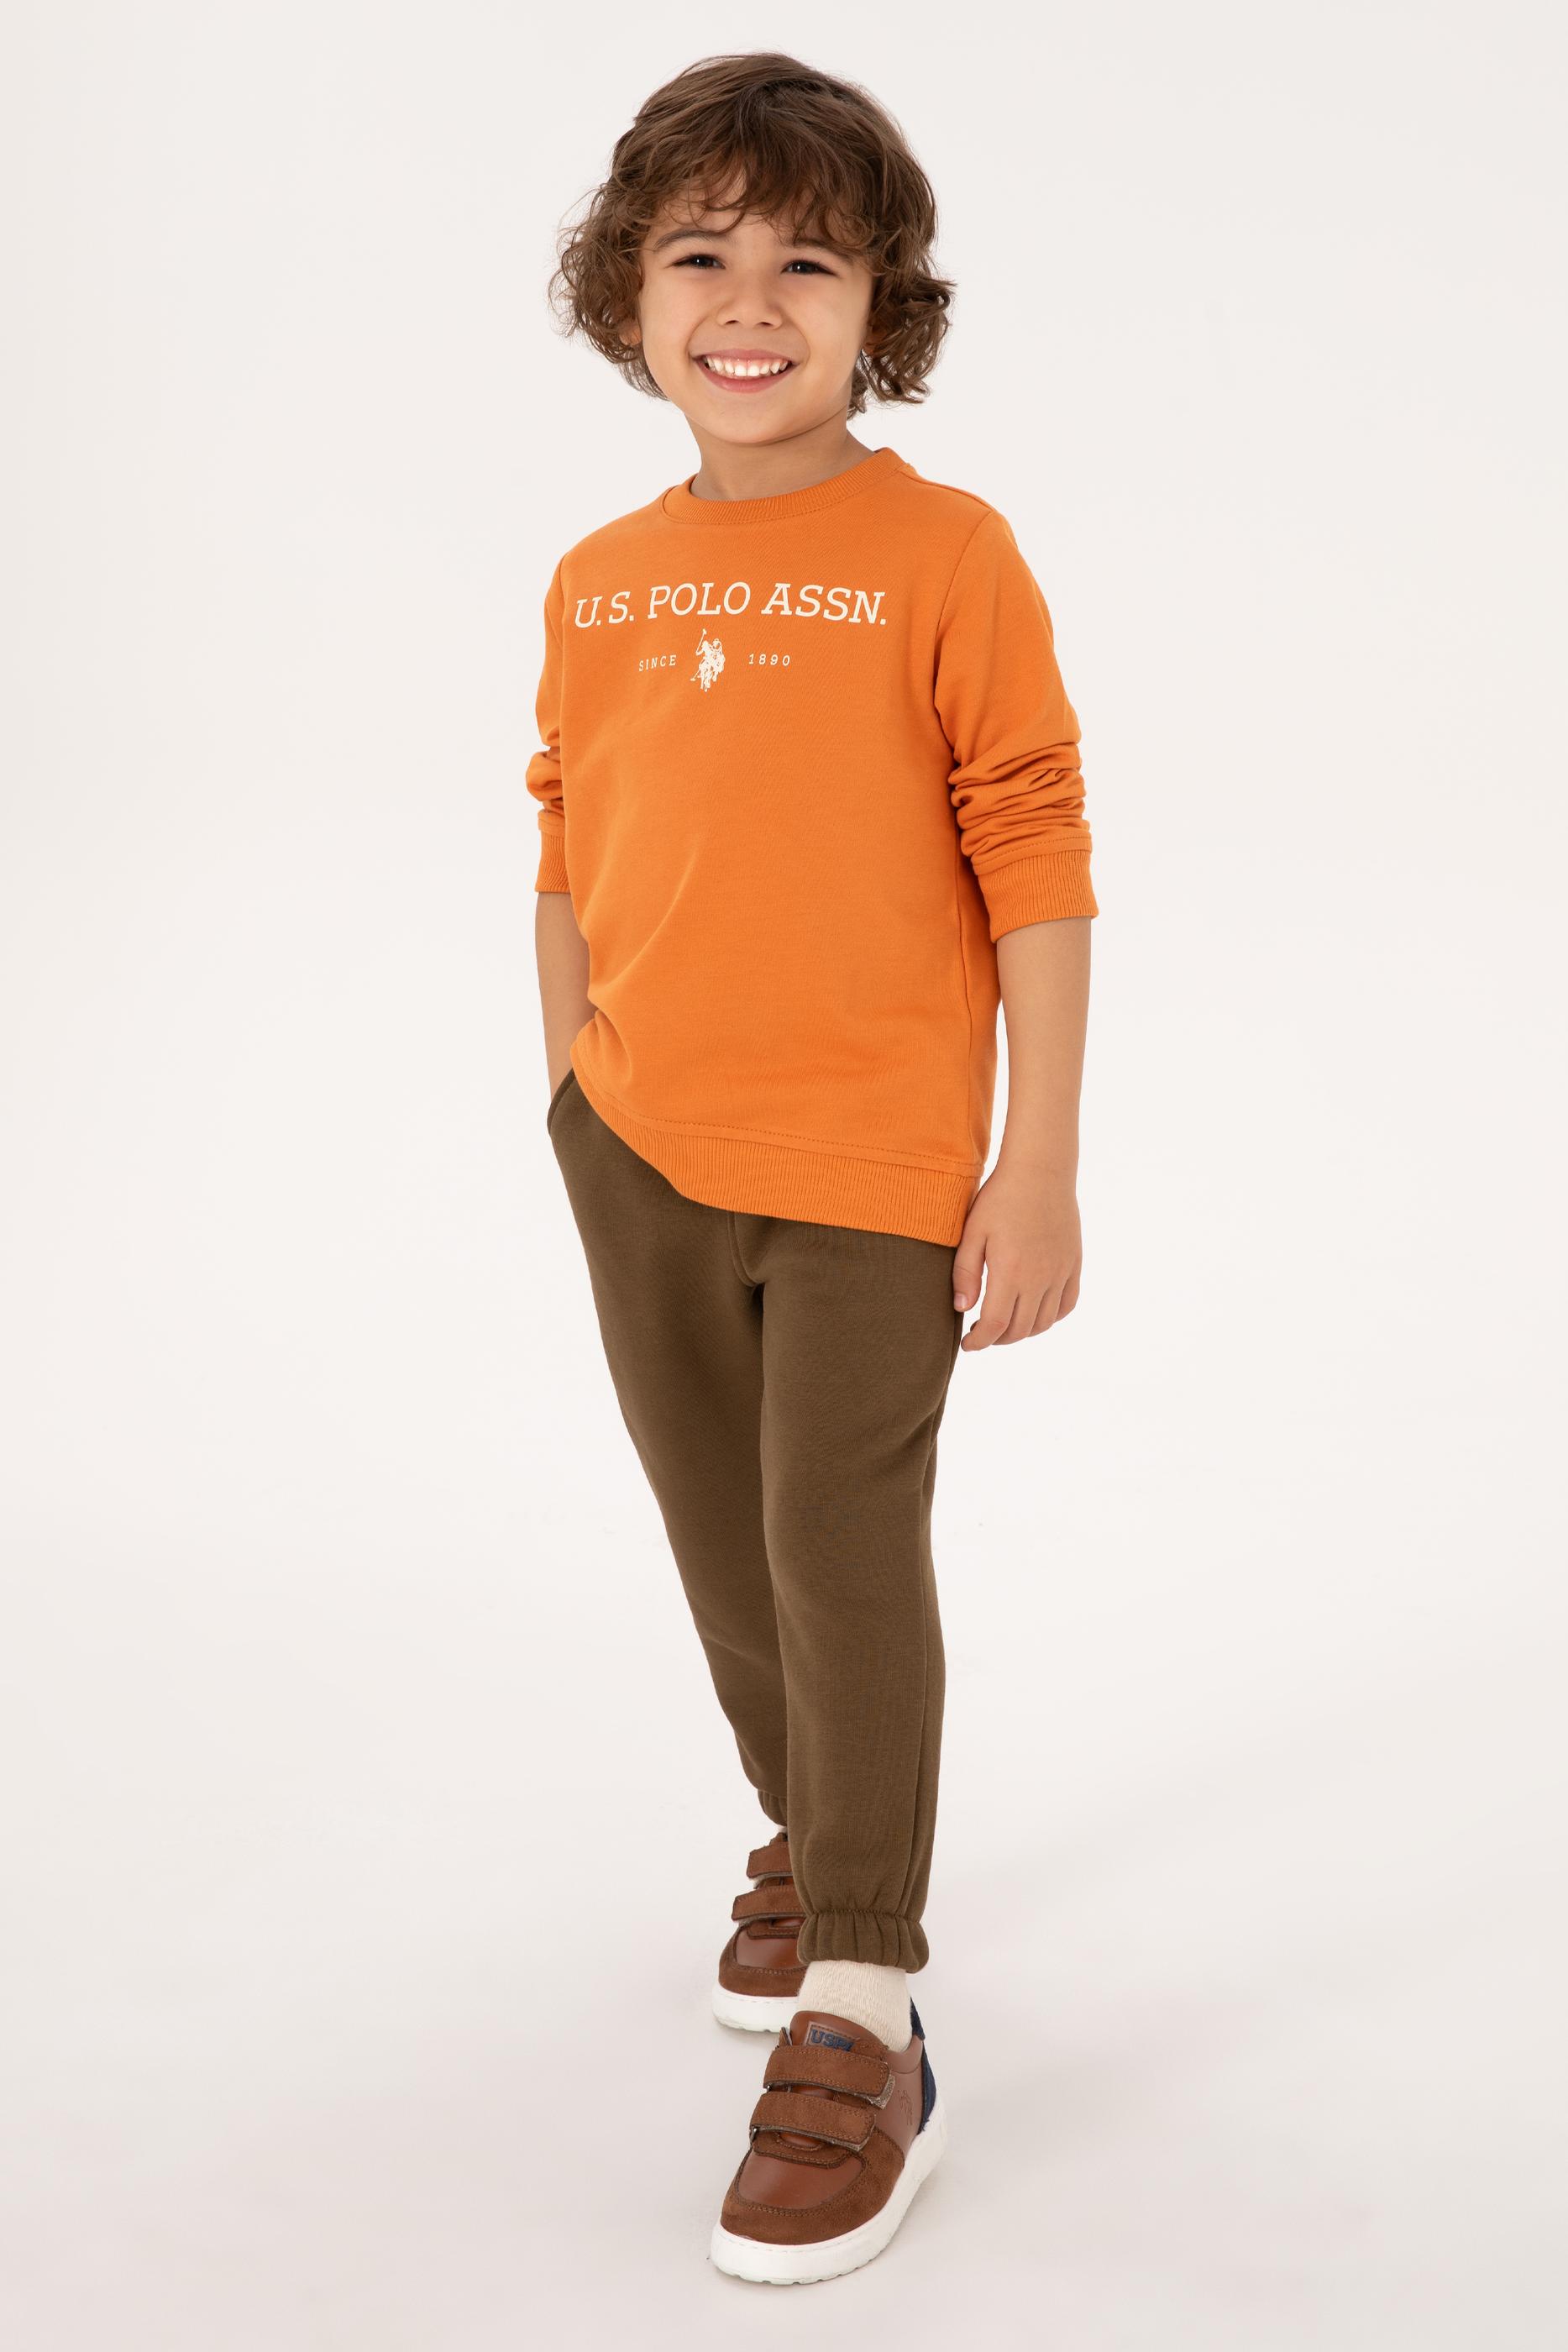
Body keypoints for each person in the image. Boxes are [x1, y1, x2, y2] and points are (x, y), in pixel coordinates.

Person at [527, 50, 1097, 2286]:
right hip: (640, 1146)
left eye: (808, 262)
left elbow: (1034, 850)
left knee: (836, 1547)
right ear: (629, 294)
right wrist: (570, 1091)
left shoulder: (945, 554)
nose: (747, 303)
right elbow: (566, 836)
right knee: (723, 1547)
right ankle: (809, 1831)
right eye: (699, 255)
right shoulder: (597, 577)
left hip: (872, 1157)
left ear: (882, 310)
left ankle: (864, 1992)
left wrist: (1035, 1162)